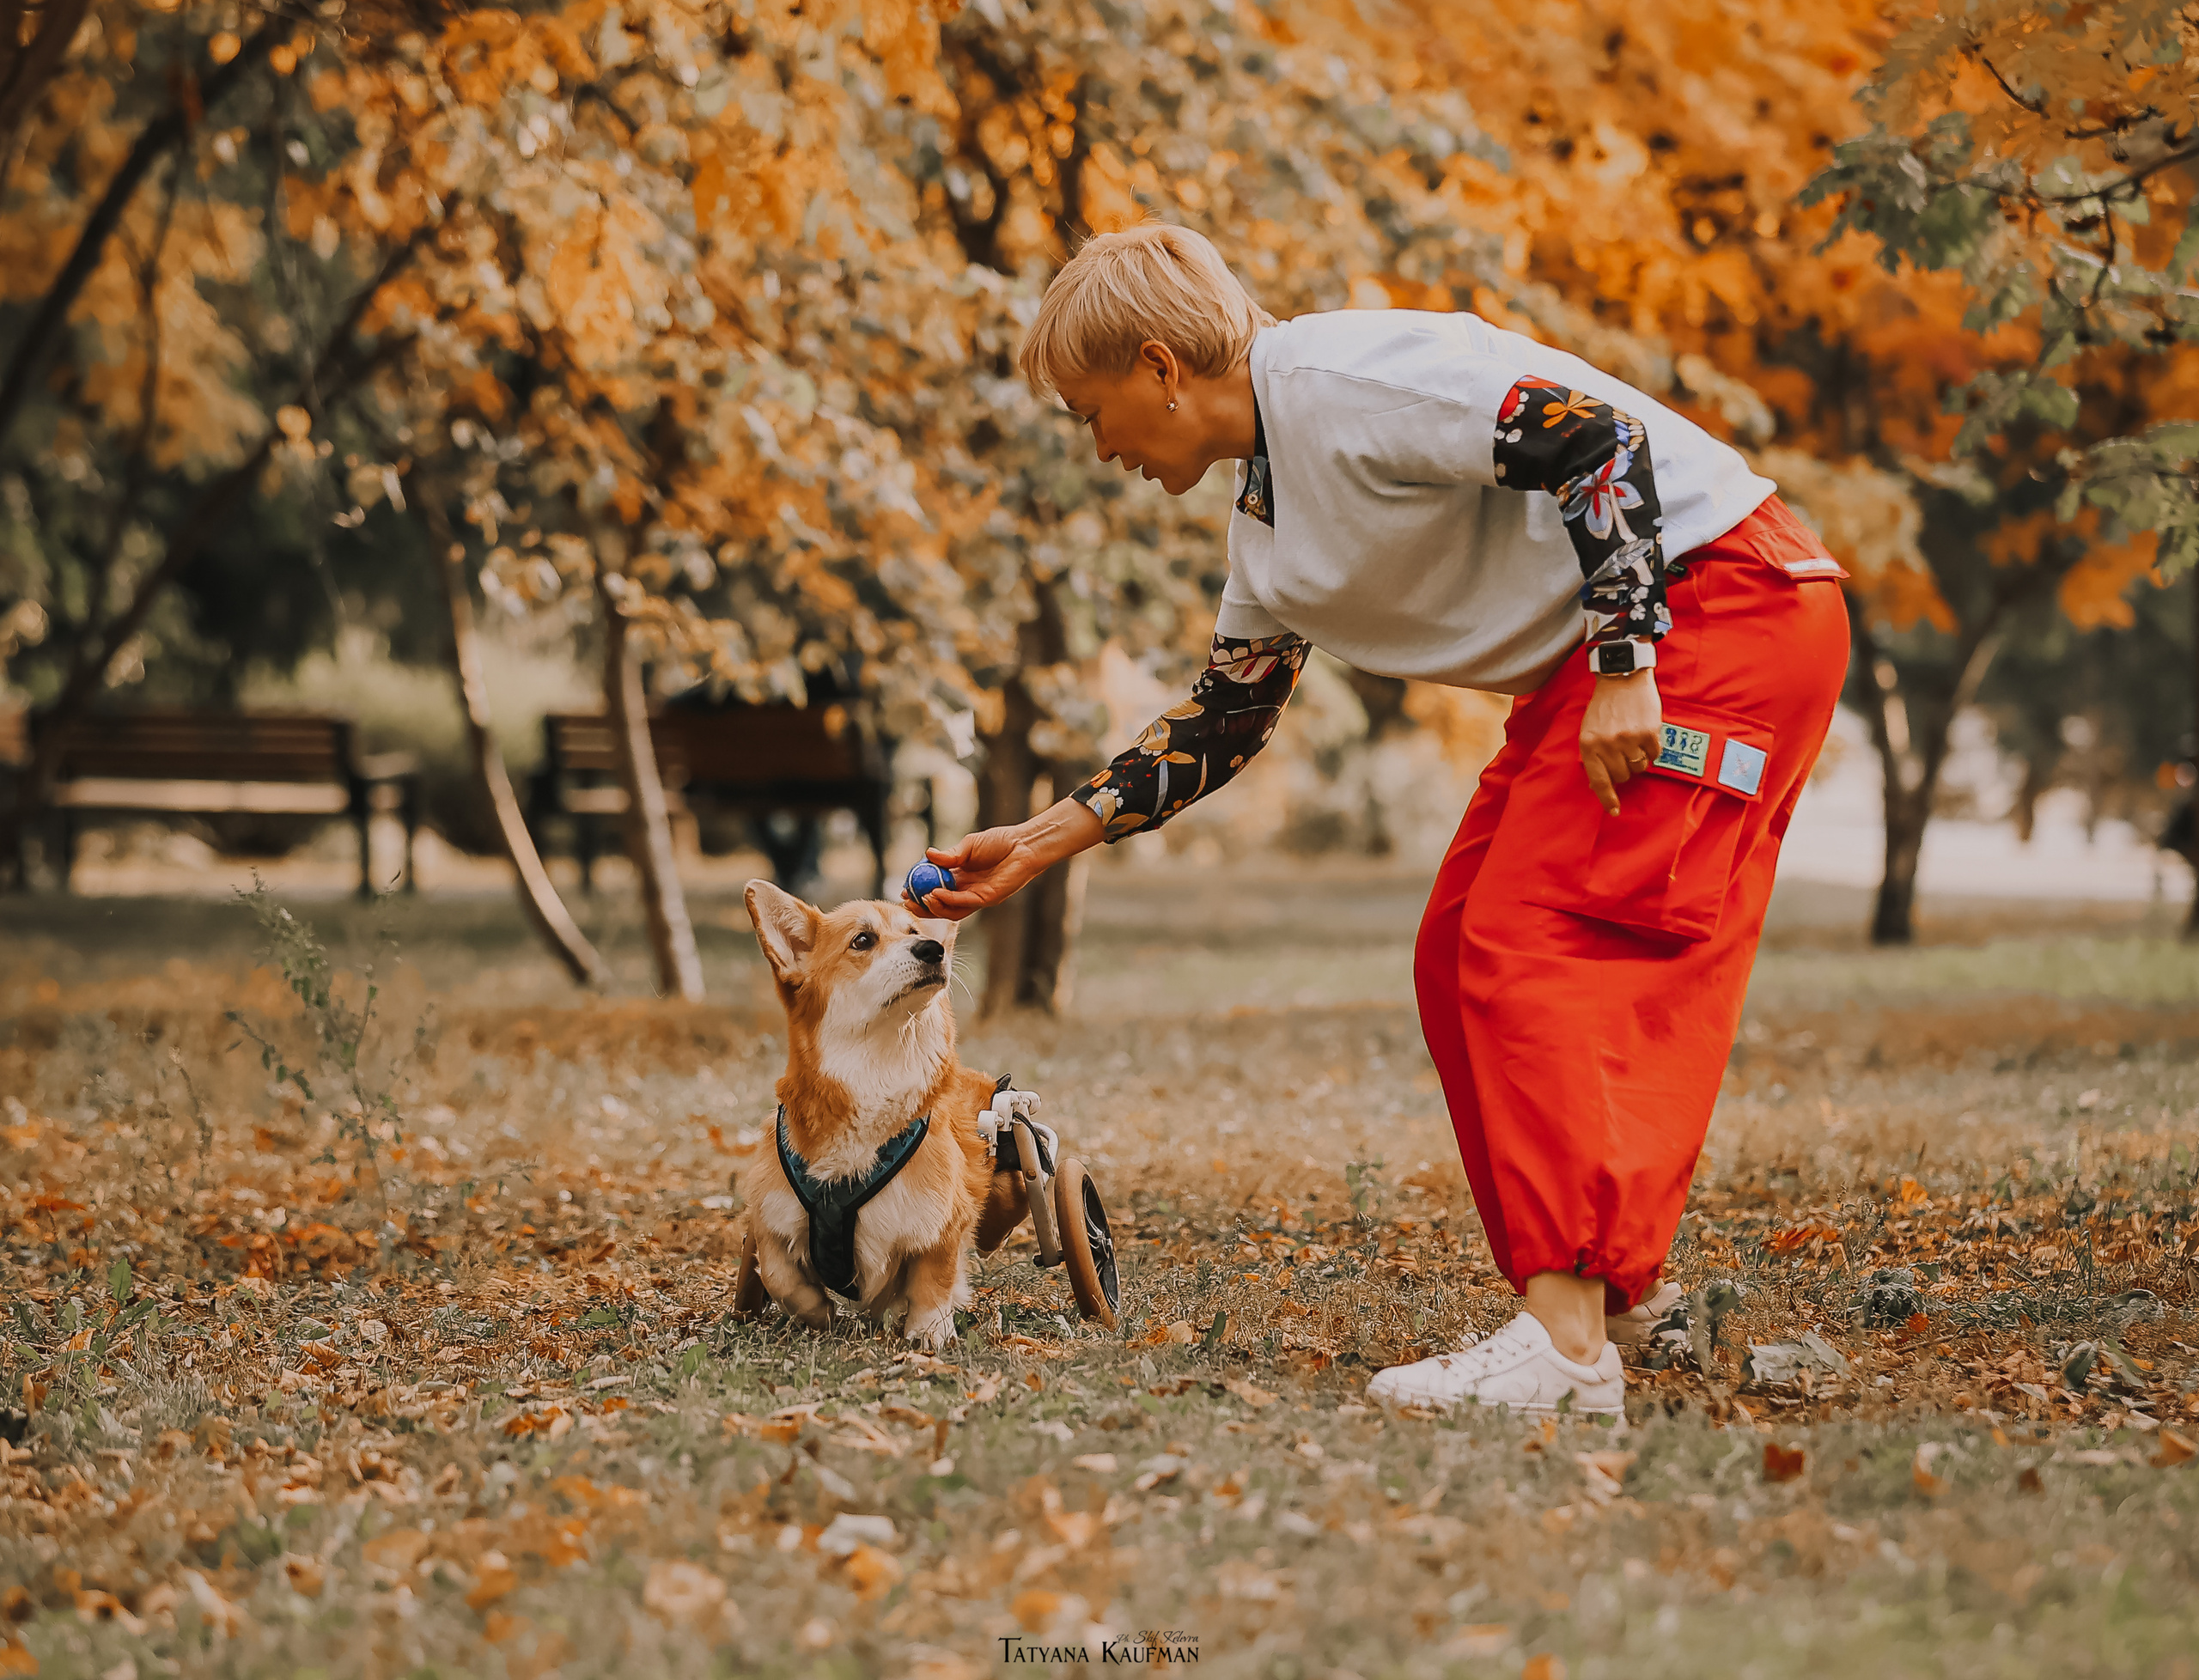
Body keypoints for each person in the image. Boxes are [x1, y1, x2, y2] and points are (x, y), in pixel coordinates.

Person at [906, 223, 1849, 1417]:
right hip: (1624, 648)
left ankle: (1564, 1351)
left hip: (1723, 606)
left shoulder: (1349, 381)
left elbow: (1589, 438)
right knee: (1458, 950)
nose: (1102, 449)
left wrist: (1625, 657)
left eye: (1096, 412)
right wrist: (1041, 841)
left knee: (1531, 943)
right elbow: (1228, 715)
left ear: (1159, 367)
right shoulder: (1269, 514)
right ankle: (1613, 1302)